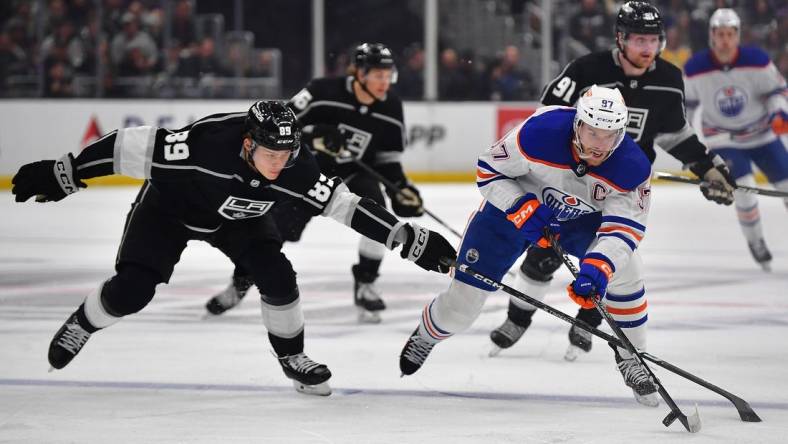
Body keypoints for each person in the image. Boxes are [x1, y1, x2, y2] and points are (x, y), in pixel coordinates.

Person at [11, 100, 456, 397]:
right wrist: (66, 173)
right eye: (271, 155)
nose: (281, 165)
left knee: (278, 275)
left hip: (238, 220)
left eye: (288, 154)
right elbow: (127, 147)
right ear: (247, 144)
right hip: (168, 211)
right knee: (132, 292)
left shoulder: (295, 164)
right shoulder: (204, 147)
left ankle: (292, 358)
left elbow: (345, 205)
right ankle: (84, 322)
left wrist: (407, 238)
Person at [488, 1, 737, 362]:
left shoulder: (668, 79)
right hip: (571, 183)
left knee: (609, 261)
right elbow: (547, 119)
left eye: (653, 39)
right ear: (620, 39)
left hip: (621, 190)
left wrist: (709, 167)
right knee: (542, 254)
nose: (646, 48)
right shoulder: (586, 69)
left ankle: (586, 324)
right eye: (638, 39)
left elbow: (674, 135)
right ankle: (517, 319)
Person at [399, 86, 660, 406]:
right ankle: (429, 333)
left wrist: (599, 266)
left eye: (609, 135)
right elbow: (489, 170)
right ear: (578, 124)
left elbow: (624, 229)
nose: (600, 145)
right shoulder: (539, 131)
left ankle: (633, 356)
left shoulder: (632, 166)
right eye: (593, 132)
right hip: (511, 214)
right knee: (461, 309)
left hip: (579, 222)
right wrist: (520, 206)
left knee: (627, 268)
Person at [205, 43, 423, 324]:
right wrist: (312, 134)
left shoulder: (391, 107)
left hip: (355, 173)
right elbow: (279, 127)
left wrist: (402, 187)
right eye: (377, 75)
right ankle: (240, 283)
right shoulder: (322, 91)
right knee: (272, 234)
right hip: (309, 173)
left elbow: (387, 159)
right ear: (359, 73)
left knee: (378, 216)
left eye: (387, 75)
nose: (384, 83)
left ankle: (366, 283)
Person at [684, 8, 788, 271]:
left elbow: (777, 90)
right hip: (723, 138)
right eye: (720, 34)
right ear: (712, 36)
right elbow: (689, 109)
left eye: (730, 34)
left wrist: (778, 112)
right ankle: (756, 241)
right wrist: (690, 148)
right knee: (744, 191)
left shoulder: (757, 60)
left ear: (738, 35)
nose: (725, 40)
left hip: (762, 134)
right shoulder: (695, 68)